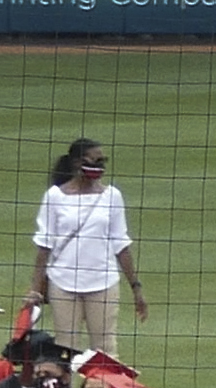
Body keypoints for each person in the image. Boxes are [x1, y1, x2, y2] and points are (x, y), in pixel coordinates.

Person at [29, 139, 145, 355]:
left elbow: (121, 244)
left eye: (102, 161)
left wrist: (136, 288)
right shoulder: (55, 197)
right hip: (63, 283)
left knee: (105, 352)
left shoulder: (112, 196)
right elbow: (44, 246)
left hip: (103, 282)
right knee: (65, 350)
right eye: (94, 161)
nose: (99, 167)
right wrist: (34, 290)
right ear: (76, 163)